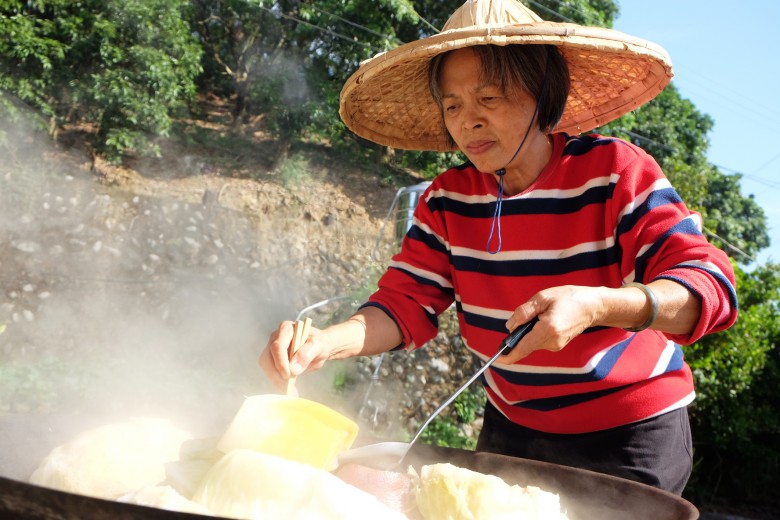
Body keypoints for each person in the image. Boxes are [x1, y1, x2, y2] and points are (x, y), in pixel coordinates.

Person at [259, 0, 737, 495]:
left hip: (629, 436)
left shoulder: (616, 172)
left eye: (489, 98)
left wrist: (597, 305)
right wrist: (322, 343)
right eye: (453, 106)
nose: (469, 122)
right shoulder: (447, 199)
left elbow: (710, 287)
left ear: (541, 93)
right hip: (513, 427)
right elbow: (404, 305)